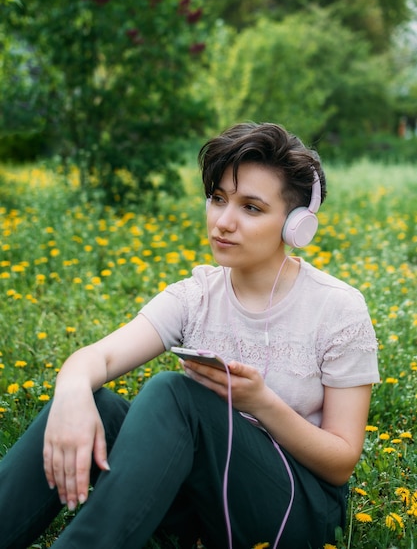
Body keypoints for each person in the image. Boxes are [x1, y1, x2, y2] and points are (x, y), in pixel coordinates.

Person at [0, 122, 379, 549]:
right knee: (98, 404)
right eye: (218, 199)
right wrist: (71, 394)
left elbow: (341, 463)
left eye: (251, 208)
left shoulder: (338, 308)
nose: (224, 221)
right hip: (204, 503)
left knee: (175, 394)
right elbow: (99, 359)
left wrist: (260, 403)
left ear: (296, 227)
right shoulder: (196, 294)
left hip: (294, 512)